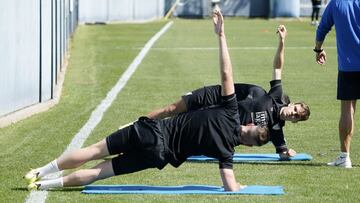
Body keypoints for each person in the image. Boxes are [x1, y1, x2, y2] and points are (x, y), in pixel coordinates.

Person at [24, 10, 269, 192]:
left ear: (248, 123)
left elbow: (227, 74)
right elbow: (229, 186)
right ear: (246, 145)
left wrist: (221, 34)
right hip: (158, 154)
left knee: (94, 151)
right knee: (102, 171)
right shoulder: (227, 152)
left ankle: (40, 171)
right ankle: (45, 186)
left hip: (150, 130)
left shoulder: (231, 110)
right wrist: (238, 186)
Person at [147, 24, 310, 159]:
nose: (292, 113)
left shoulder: (275, 129)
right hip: (215, 97)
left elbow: (282, 152)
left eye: (296, 116)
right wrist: (282, 41)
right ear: (292, 104)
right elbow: (277, 67)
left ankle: (145, 138)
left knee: (177, 126)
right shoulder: (277, 96)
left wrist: (287, 154)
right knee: (171, 110)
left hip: (216, 122)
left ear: (294, 122)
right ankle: (139, 124)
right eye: (295, 109)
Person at [314, 0, 360, 168]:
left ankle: (344, 157)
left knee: (347, 110)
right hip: (348, 66)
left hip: (348, 67)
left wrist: (318, 49)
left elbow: (322, 28)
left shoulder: (336, 3)